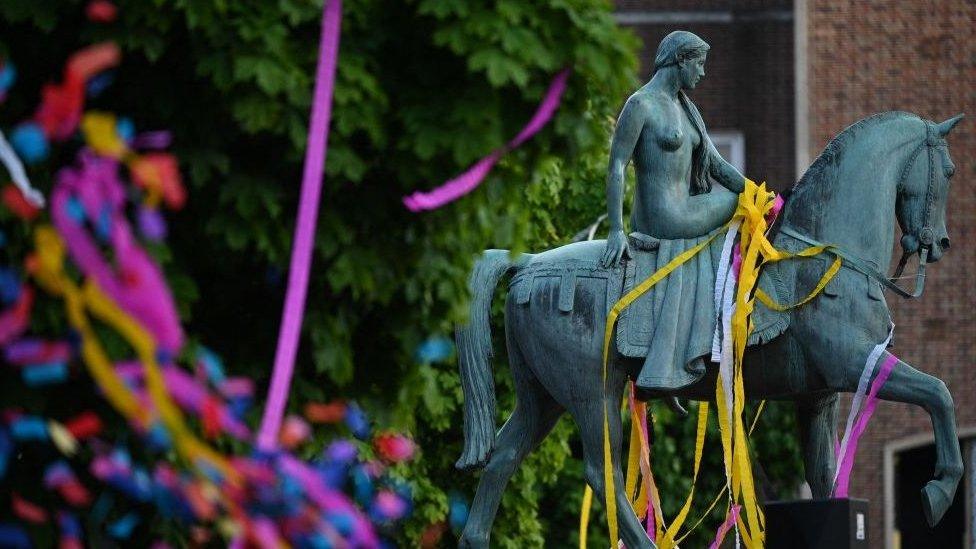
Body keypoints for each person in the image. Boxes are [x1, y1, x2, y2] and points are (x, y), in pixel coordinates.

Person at [601, 30, 747, 392]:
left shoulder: (686, 108)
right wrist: (616, 230)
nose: (702, 73)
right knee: (735, 205)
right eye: (698, 63)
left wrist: (762, 195)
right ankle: (712, 330)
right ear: (680, 59)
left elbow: (716, 166)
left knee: (745, 202)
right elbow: (617, 165)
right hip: (664, 217)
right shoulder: (641, 105)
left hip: (685, 208)